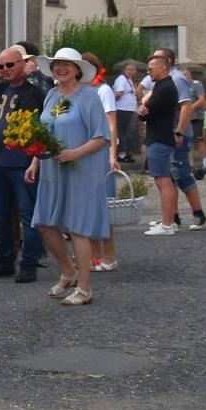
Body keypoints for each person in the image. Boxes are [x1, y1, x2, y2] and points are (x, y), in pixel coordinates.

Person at [26, 48, 111, 306]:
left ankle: (84, 288)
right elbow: (45, 132)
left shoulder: (89, 97)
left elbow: (102, 136)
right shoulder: (52, 95)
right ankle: (68, 271)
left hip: (81, 171)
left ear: (77, 70)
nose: (61, 68)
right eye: (57, 65)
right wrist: (34, 162)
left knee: (77, 229)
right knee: (44, 223)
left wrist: (75, 153)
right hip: (52, 169)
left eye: (66, 65)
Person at [0, 45, 49, 283]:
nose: (5, 70)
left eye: (10, 65)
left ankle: (29, 262)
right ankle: (4, 261)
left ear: (22, 64)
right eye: (1, 66)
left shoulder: (33, 91)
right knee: (2, 214)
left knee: (28, 213)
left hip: (22, 161)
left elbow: (42, 118)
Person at [137, 52, 199, 235]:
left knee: (163, 180)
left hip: (159, 137)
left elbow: (146, 111)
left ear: (163, 67)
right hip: (160, 136)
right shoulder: (162, 86)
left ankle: (167, 224)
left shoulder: (166, 87)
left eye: (151, 68)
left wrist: (143, 110)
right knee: (164, 180)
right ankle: (169, 221)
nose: (148, 71)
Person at [82, 52, 121, 273]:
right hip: (86, 153)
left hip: (101, 153)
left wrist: (112, 155)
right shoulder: (82, 92)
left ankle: (109, 256)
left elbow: (111, 124)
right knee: (88, 208)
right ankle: (94, 254)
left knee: (104, 208)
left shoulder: (103, 90)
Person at [113, 61, 140, 162]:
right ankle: (121, 154)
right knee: (123, 132)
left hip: (129, 109)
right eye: (128, 69)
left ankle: (127, 153)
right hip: (123, 109)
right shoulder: (121, 79)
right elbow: (118, 93)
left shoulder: (129, 80)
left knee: (129, 132)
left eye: (132, 70)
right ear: (123, 70)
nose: (130, 71)